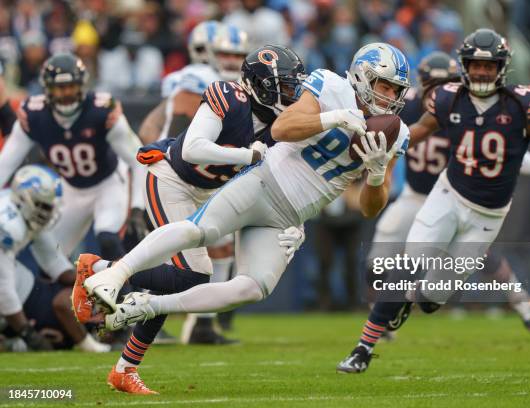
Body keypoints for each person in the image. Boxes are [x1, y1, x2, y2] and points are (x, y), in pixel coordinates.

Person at [82, 42, 410, 341]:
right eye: (385, 85)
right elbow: (283, 129)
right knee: (201, 232)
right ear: (361, 75)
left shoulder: (396, 133)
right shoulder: (329, 85)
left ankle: (149, 305)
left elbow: (370, 207)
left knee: (253, 287)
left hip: (290, 216)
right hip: (263, 180)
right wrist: (334, 118)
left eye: (396, 90)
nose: (390, 96)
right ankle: (115, 272)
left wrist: (377, 174)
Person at [71, 45, 307, 394]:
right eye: (284, 87)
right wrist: (247, 154)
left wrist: (296, 225)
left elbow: (284, 186)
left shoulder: (280, 126)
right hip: (171, 178)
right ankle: (98, 267)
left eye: (293, 87)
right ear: (261, 84)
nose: (291, 94)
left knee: (177, 280)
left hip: (207, 192)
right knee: (193, 274)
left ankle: (124, 369)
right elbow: (192, 148)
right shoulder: (228, 95)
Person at [337, 28, 530, 373]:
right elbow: (415, 133)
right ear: (464, 65)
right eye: (475, 65)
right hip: (446, 196)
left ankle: (409, 303)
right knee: (403, 269)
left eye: (488, 66)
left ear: (501, 68)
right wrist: (383, 145)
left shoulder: (522, 103)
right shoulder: (448, 98)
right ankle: (362, 349)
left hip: (488, 216)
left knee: (432, 300)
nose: (480, 72)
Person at [369, 51, 530, 338]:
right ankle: (383, 315)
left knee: (483, 258)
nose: (437, 91)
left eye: (446, 84)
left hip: (453, 197)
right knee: (377, 261)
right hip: (414, 197)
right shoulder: (410, 106)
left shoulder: (464, 108)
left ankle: (523, 303)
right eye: (432, 84)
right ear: (421, 84)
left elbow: (504, 155)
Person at [137, 21, 249, 345]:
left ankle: (202, 323)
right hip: (178, 175)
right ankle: (132, 308)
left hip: (209, 179)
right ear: (205, 52)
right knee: (168, 251)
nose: (231, 60)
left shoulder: (237, 87)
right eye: (225, 53)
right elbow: (158, 125)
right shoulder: (198, 80)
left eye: (238, 54)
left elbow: (150, 124)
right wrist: (167, 149)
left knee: (219, 248)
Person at [0, 53, 147, 263]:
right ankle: (70, 295)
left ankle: (125, 295)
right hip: (71, 188)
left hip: (108, 183)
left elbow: (138, 158)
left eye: (70, 86)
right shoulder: (34, 115)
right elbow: (6, 163)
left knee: (108, 239)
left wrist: (138, 208)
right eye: (59, 88)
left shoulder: (101, 111)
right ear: (47, 89)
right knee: (51, 258)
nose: (65, 93)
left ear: (82, 85)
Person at [0, 165, 109, 352]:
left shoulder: (22, 212)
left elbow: (53, 261)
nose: (47, 213)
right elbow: (4, 289)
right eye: (43, 206)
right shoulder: (8, 226)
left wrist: (89, 281)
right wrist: (28, 333)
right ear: (24, 199)